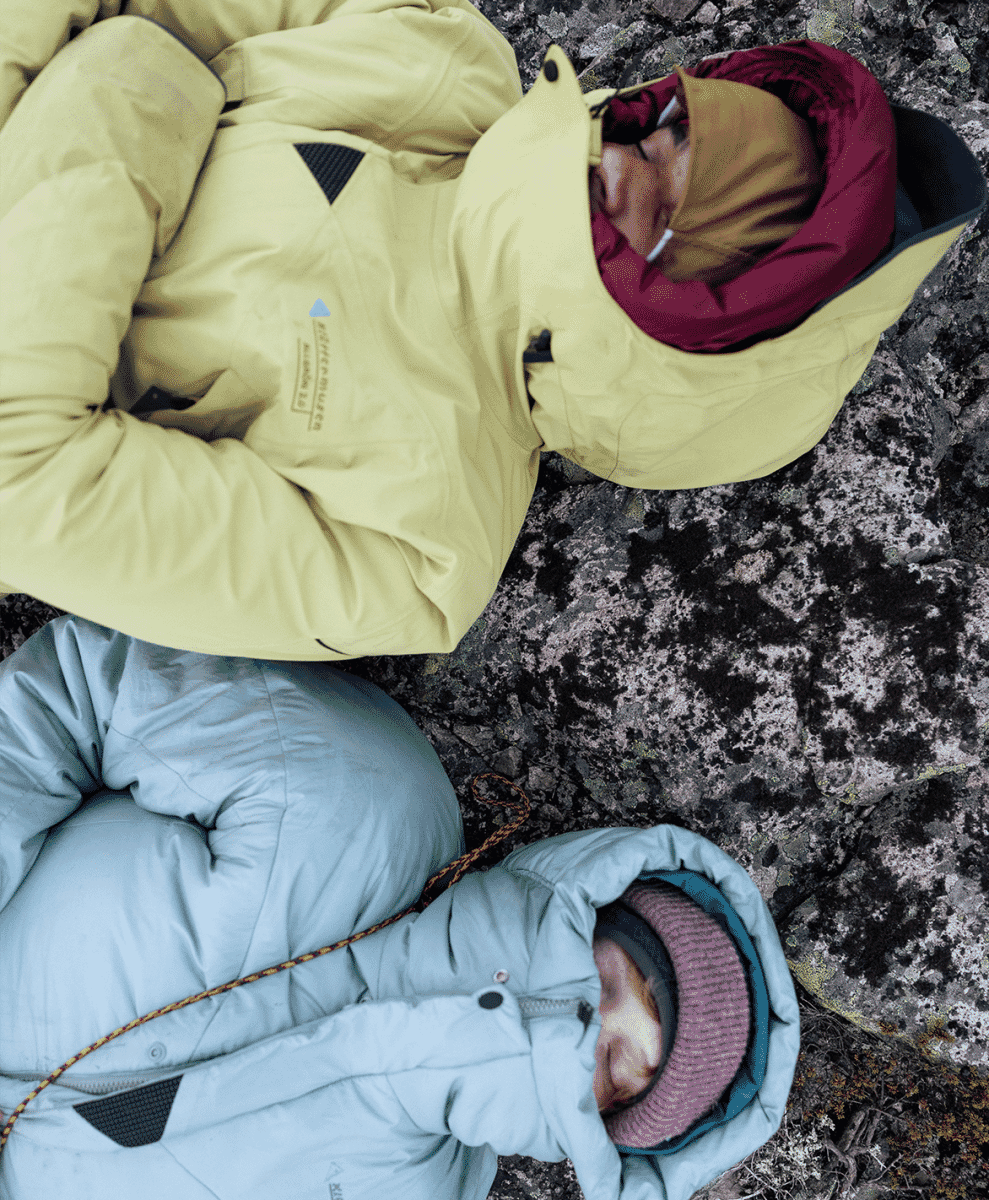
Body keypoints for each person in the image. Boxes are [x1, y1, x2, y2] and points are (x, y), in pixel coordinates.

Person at [1, 5, 984, 663]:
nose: (619, 159)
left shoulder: (415, 545)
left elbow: (21, 484)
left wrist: (127, 90)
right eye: (661, 129)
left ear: (706, 308)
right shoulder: (434, 50)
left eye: (671, 207)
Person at [0, 614, 800, 1199]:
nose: (592, 1044)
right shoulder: (362, 801)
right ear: (590, 913)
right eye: (628, 987)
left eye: (628, 1082)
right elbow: (77, 692)